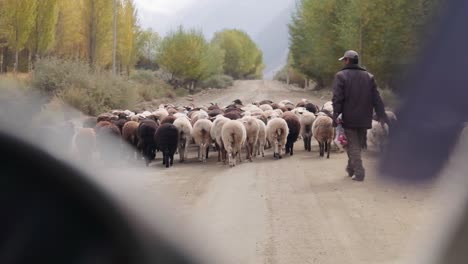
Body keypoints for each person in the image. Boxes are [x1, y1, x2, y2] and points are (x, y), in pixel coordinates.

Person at [332, 50, 388, 182]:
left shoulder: (341, 76)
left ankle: (359, 172)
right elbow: (377, 98)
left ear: (347, 60)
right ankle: (350, 168)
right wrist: (381, 114)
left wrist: (335, 115)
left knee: (353, 145)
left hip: (349, 117)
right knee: (358, 144)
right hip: (365, 117)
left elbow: (337, 98)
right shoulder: (369, 76)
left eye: (344, 60)